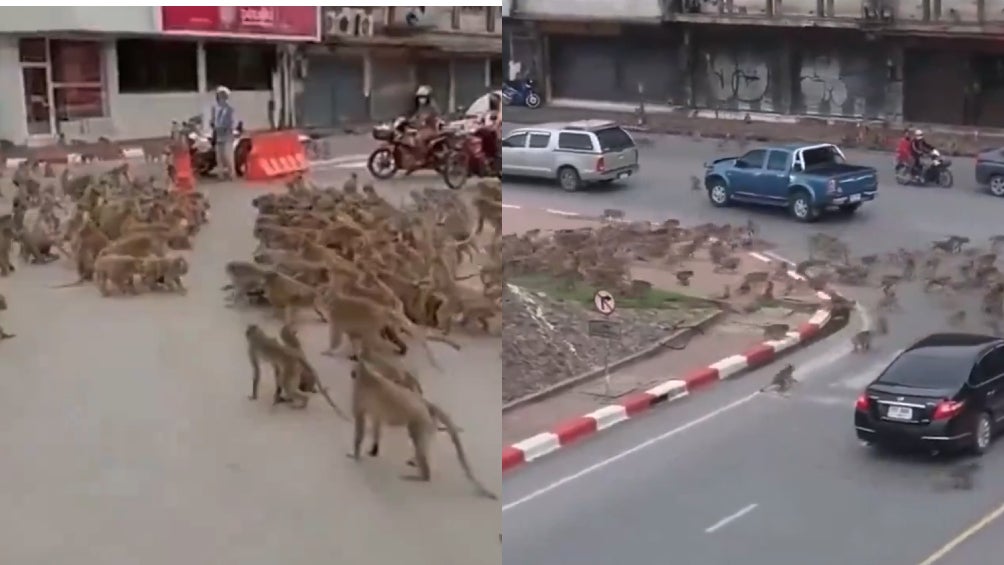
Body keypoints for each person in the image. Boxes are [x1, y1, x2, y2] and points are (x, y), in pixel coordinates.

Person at [210, 85, 236, 180]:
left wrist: (221, 127)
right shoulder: (215, 109)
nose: (219, 98)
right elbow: (212, 121)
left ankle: (232, 174)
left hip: (227, 135)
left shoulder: (229, 109)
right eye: (218, 96)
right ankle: (220, 175)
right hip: (218, 135)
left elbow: (230, 123)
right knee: (219, 156)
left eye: (221, 96)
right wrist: (213, 124)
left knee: (227, 155)